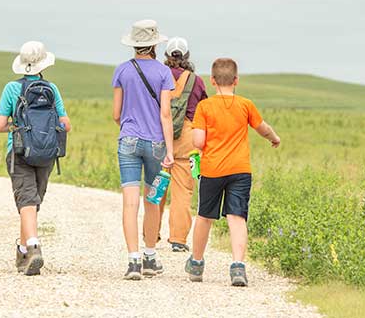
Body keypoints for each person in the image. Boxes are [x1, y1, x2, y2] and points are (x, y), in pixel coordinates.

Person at [186, 58, 281, 287]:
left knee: (205, 216)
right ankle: (238, 267)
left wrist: (200, 143)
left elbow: (199, 140)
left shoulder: (205, 107)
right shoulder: (245, 105)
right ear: (236, 80)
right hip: (240, 169)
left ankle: (197, 264)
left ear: (212, 80)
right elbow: (262, 128)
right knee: (237, 217)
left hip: (212, 169)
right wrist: (274, 138)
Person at [0, 41, 72, 276]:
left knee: (25, 200)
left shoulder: (11, 88)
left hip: (19, 151)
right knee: (32, 202)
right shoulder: (52, 88)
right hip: (46, 152)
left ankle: (33, 247)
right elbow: (65, 124)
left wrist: (17, 127)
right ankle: (23, 249)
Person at [112, 19, 175, 280]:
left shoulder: (122, 71)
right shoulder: (163, 73)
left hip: (128, 140)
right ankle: (150, 257)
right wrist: (170, 150)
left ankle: (133, 261)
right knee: (153, 200)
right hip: (156, 143)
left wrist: (128, 124)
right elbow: (166, 115)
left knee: (130, 203)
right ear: (154, 44)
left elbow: (116, 114)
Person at [153, 37, 208, 252]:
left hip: (159, 133)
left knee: (157, 185)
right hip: (187, 137)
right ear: (186, 56)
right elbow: (203, 112)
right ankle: (178, 239)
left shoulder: (158, 76)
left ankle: (151, 233)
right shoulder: (197, 81)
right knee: (182, 191)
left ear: (166, 56)